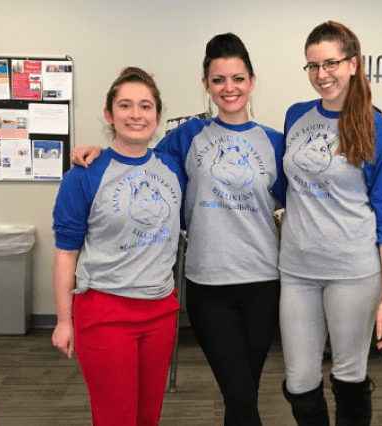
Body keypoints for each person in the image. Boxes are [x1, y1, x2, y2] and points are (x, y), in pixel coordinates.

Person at [71, 34, 286, 426]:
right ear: (206, 84)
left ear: (252, 82)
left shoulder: (273, 142)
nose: (229, 88)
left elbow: (303, 199)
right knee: (239, 392)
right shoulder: (187, 137)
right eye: (218, 79)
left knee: (246, 392)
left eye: (238, 78)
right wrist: (100, 152)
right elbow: (137, 151)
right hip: (209, 286)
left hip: (263, 285)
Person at [278, 21, 382, 426]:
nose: (322, 75)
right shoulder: (295, 116)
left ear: (354, 64)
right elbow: (284, 185)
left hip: (353, 271)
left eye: (331, 63)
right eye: (313, 66)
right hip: (296, 269)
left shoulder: (379, 129)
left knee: (349, 376)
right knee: (298, 381)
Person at [51, 66, 186, 426]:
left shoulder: (173, 167)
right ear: (110, 115)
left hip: (160, 311)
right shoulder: (84, 174)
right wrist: (64, 321)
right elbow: (66, 252)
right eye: (125, 106)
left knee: (147, 417)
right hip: (105, 311)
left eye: (145, 106)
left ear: (157, 116)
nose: (136, 114)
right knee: (116, 417)